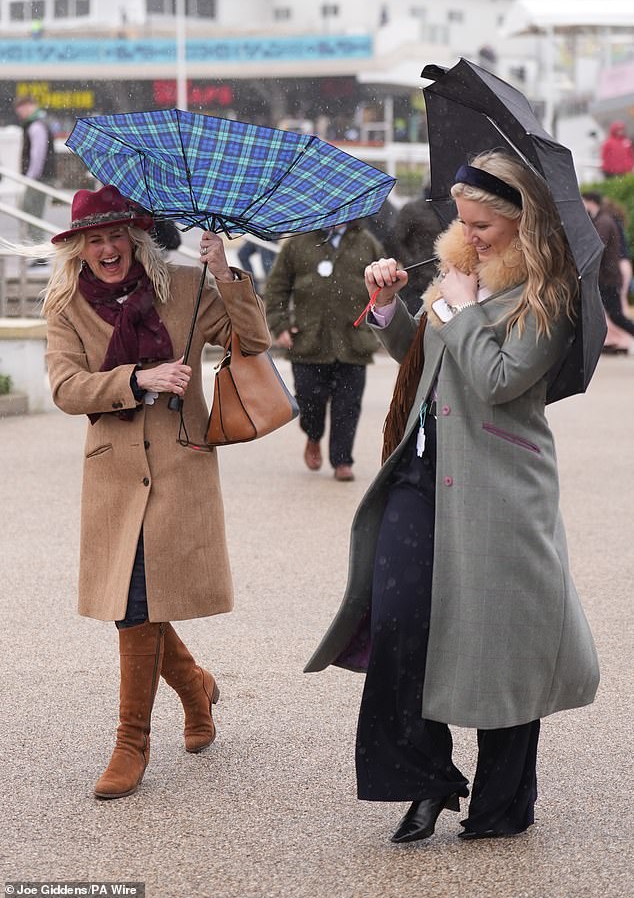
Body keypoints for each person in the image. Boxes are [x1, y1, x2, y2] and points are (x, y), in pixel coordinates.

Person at [305, 151, 599, 843]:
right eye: (463, 223)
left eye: (485, 224)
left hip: (500, 489)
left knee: (502, 646)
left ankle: (504, 801)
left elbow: (497, 379)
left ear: (522, 222)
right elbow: (425, 354)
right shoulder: (458, 275)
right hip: (421, 474)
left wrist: (464, 310)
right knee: (402, 625)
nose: (470, 236)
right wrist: (388, 308)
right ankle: (424, 777)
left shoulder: (548, 298)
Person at [36, 184, 270, 800]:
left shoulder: (186, 290)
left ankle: (130, 741)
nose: (107, 248)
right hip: (114, 472)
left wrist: (226, 274)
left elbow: (254, 341)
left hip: (180, 464)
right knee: (135, 598)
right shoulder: (65, 306)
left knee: (140, 598)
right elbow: (65, 388)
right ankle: (195, 688)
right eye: (95, 239)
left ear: (137, 241)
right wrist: (138, 378)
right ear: (79, 249)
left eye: (117, 236)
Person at [265, 220, 384, 481]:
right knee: (309, 401)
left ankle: (342, 460)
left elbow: (383, 291)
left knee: (348, 405)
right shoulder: (298, 243)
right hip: (308, 342)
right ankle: (313, 435)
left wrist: (376, 325)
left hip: (353, 343)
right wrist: (280, 325)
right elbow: (276, 288)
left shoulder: (367, 243)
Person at [582, 191, 634, 341]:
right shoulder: (601, 219)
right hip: (607, 277)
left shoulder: (603, 221)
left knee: (616, 316)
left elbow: (597, 247)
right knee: (614, 315)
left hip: (608, 279)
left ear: (591, 202)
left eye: (584, 201)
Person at [14, 95, 56, 252]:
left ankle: (39, 255)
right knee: (31, 214)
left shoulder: (36, 126)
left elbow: (37, 155)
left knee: (32, 216)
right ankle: (38, 253)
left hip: (38, 179)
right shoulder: (39, 123)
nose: (20, 114)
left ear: (29, 106)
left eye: (21, 110)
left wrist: (30, 178)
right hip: (41, 178)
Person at [393, 185, 443, 314]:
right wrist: (412, 263)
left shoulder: (449, 209)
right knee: (417, 324)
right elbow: (396, 239)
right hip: (416, 283)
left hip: (442, 279)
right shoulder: (412, 209)